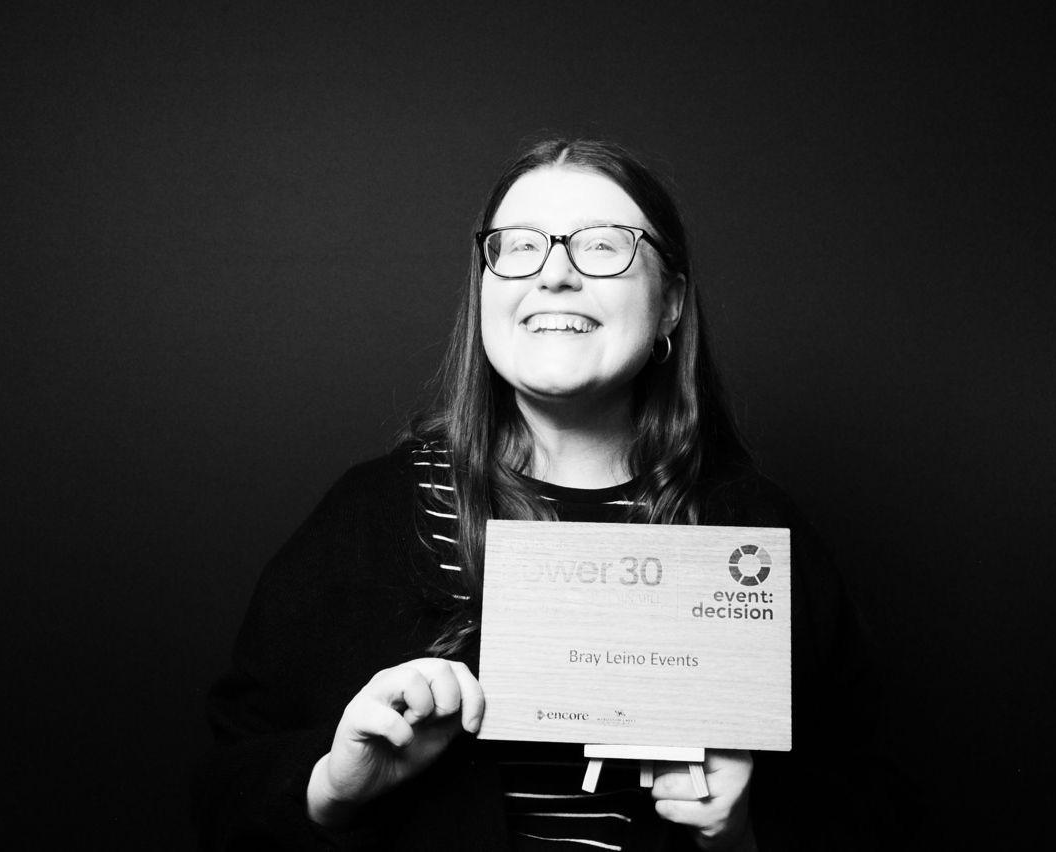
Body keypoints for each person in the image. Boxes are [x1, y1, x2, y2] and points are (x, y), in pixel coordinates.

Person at [193, 139, 913, 850]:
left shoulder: (754, 537)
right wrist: (330, 787)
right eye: (519, 246)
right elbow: (223, 788)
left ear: (670, 303)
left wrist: (741, 833)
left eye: (602, 247)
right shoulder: (374, 514)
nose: (555, 275)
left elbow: (867, 804)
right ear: (485, 289)